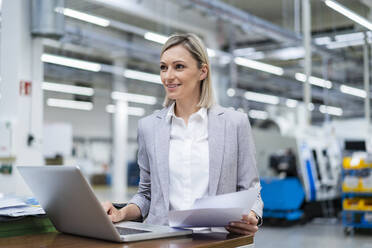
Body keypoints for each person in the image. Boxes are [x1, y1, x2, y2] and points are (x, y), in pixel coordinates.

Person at [102, 33, 263, 236]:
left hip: (217, 240)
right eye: (163, 67)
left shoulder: (234, 123)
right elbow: (146, 194)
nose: (168, 76)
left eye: (179, 66)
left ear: (202, 71)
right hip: (163, 239)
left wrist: (252, 215)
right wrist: (121, 213)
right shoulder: (149, 127)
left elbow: (251, 191)